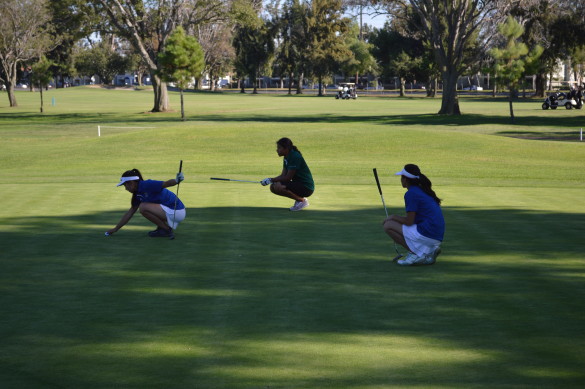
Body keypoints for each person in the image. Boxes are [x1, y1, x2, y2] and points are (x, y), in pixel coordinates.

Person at [382, 164, 445, 266]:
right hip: (436, 236)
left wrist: (393, 217)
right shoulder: (421, 189)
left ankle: (416, 253)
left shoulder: (411, 193)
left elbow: (409, 221)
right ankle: (428, 251)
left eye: (402, 177)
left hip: (428, 234)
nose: (401, 180)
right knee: (392, 223)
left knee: (388, 225)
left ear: (406, 180)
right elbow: (413, 220)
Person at [106, 168, 186, 239]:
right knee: (145, 206)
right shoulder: (137, 194)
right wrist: (116, 229)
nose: (126, 189)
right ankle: (162, 229)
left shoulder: (147, 184)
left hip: (177, 211)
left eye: (125, 185)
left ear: (131, 183)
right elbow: (130, 213)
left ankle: (166, 229)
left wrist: (176, 180)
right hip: (169, 211)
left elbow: (166, 184)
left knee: (143, 207)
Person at [261, 137, 314, 211]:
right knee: (273, 187)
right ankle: (300, 200)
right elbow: (283, 175)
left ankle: (302, 201)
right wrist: (270, 180)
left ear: (286, 148)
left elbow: (287, 178)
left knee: (278, 186)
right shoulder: (287, 157)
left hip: (306, 187)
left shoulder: (294, 156)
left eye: (279, 148)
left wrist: (271, 179)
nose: (277, 150)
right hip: (298, 184)